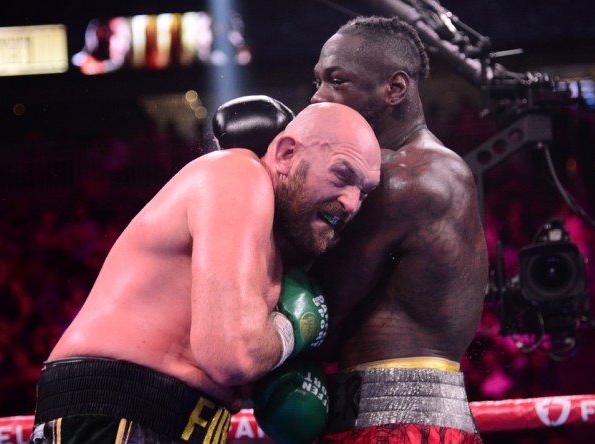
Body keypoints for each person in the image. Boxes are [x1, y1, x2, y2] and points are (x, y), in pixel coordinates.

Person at [28, 102, 381, 444]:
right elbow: (232, 356)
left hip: (174, 422)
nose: (351, 202)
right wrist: (291, 328)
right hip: (114, 413)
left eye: (363, 192)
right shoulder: (237, 173)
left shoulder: (273, 245)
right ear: (287, 155)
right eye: (342, 174)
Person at [308, 16, 489, 443]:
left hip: (394, 427)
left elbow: (320, 316)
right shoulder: (434, 168)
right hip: (406, 422)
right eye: (317, 80)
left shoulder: (403, 178)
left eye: (337, 81)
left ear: (395, 88)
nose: (318, 97)